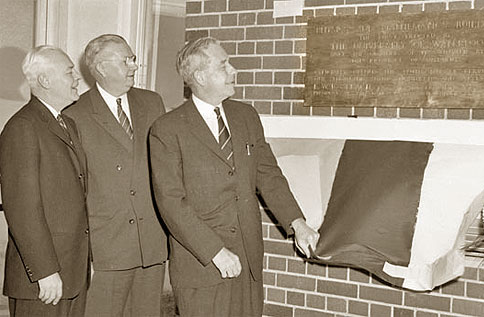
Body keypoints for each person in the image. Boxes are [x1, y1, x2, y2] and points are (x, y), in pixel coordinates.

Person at [149, 36, 320, 317]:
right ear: (201, 76)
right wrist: (215, 251)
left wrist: (297, 223)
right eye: (224, 65)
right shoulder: (167, 129)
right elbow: (170, 202)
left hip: (248, 259)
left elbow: (268, 175)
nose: (233, 70)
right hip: (202, 264)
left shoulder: (246, 116)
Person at [63, 34, 167, 317]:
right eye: (126, 61)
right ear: (100, 68)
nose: (134, 66)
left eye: (133, 59)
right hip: (106, 246)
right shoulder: (75, 113)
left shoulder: (152, 102)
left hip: (151, 243)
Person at [0, 46, 89, 316]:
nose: (76, 79)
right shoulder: (22, 127)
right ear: (45, 81)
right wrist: (45, 270)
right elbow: (22, 209)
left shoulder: (66, 124)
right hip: (44, 281)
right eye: (69, 72)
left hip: (71, 273)